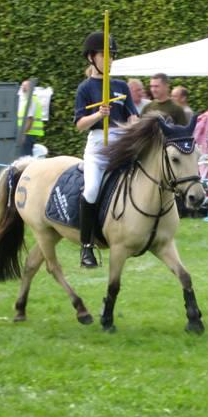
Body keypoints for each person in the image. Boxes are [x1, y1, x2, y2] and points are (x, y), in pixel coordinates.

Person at [75, 31, 139, 268]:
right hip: (97, 148)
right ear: (92, 57)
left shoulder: (121, 86)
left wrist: (135, 125)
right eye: (105, 55)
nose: (110, 60)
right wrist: (97, 115)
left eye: (112, 56)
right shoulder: (85, 88)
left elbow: (133, 115)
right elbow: (80, 125)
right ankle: (86, 248)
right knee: (91, 189)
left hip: (123, 145)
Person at [17, 80, 45, 157]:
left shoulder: (31, 100)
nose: (23, 88)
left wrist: (23, 134)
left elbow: (30, 119)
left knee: (25, 157)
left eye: (26, 86)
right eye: (22, 86)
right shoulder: (26, 100)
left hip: (28, 133)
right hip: (27, 133)